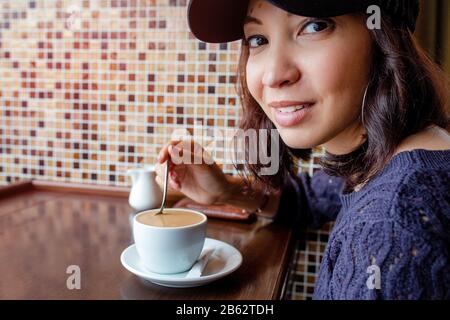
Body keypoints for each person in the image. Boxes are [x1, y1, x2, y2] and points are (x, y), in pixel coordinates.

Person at [155, 0, 450, 299]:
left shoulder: (394, 226)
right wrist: (227, 192)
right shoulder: (399, 156)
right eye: (258, 40)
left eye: (314, 26)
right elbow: (312, 197)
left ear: (383, 35)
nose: (273, 75)